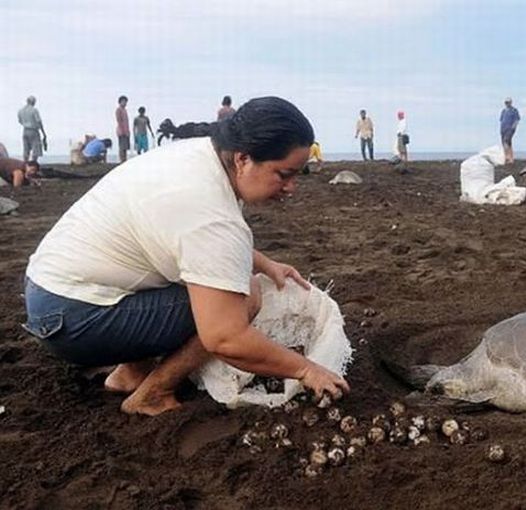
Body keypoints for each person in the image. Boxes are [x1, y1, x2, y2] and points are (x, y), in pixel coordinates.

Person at [23, 96, 349, 416]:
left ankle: (130, 374)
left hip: (49, 291)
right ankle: (153, 393)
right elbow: (225, 338)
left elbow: (194, 240)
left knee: (190, 274)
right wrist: (307, 370)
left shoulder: (197, 156)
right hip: (74, 318)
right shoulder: (212, 212)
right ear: (243, 159)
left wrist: (266, 263)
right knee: (246, 295)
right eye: (283, 174)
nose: (291, 187)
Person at [17, 96, 47, 162]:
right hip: (33, 130)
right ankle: (33, 164)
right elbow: (39, 121)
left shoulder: (20, 110)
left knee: (26, 148)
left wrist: (25, 124)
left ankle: (25, 163)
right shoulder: (34, 110)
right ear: (33, 102)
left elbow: (20, 121)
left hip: (25, 130)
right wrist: (43, 133)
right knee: (36, 148)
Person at [499, 97, 520, 165]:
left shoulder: (514, 110)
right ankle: (509, 158)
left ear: (511, 102)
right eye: (506, 102)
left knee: (506, 141)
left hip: (510, 129)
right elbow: (501, 120)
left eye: (508, 102)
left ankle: (508, 157)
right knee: (506, 143)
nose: (507, 103)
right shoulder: (503, 111)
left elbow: (517, 119)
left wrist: (513, 127)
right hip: (503, 129)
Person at [115, 96, 130, 163]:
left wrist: (128, 131)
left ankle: (124, 159)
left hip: (126, 131)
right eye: (123, 101)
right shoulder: (118, 110)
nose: (125, 103)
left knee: (125, 147)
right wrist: (123, 130)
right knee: (122, 146)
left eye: (125, 102)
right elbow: (119, 121)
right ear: (120, 102)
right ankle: (122, 160)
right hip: (121, 131)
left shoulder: (125, 110)